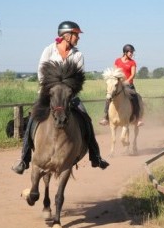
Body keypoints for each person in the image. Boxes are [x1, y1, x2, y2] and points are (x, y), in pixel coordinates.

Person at [12, 21, 109, 174]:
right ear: (66, 35)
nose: (78, 38)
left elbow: (77, 78)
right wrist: (52, 88)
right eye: (76, 34)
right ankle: (24, 159)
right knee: (32, 120)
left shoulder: (78, 55)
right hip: (49, 95)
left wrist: (66, 89)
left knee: (86, 118)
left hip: (70, 96)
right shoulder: (49, 50)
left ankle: (95, 155)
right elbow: (41, 72)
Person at [99, 44, 144, 127]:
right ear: (125, 52)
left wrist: (127, 81)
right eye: (130, 52)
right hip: (118, 85)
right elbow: (114, 73)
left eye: (132, 52)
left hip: (128, 85)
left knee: (135, 97)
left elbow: (133, 74)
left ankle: (138, 119)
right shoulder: (117, 61)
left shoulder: (132, 62)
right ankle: (106, 117)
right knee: (109, 97)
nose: (131, 54)